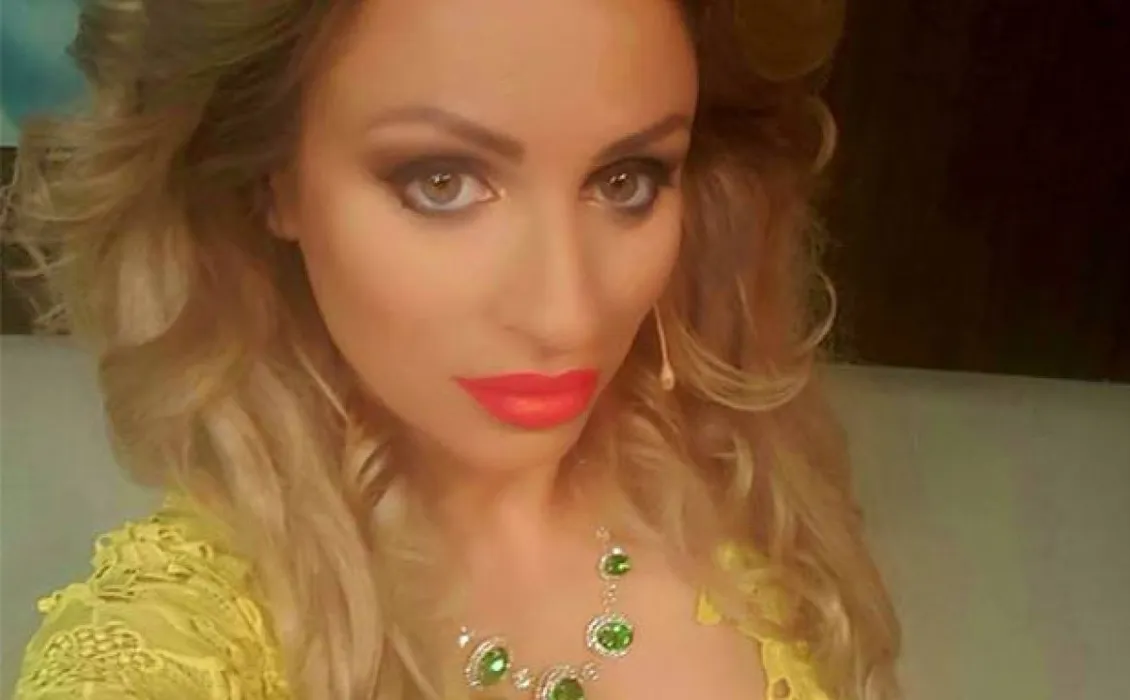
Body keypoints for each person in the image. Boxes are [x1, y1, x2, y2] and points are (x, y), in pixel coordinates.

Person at [7, 0, 900, 698]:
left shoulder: (733, 481)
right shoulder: (182, 635)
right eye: (442, 183)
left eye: (626, 181)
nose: (566, 312)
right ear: (272, 183)